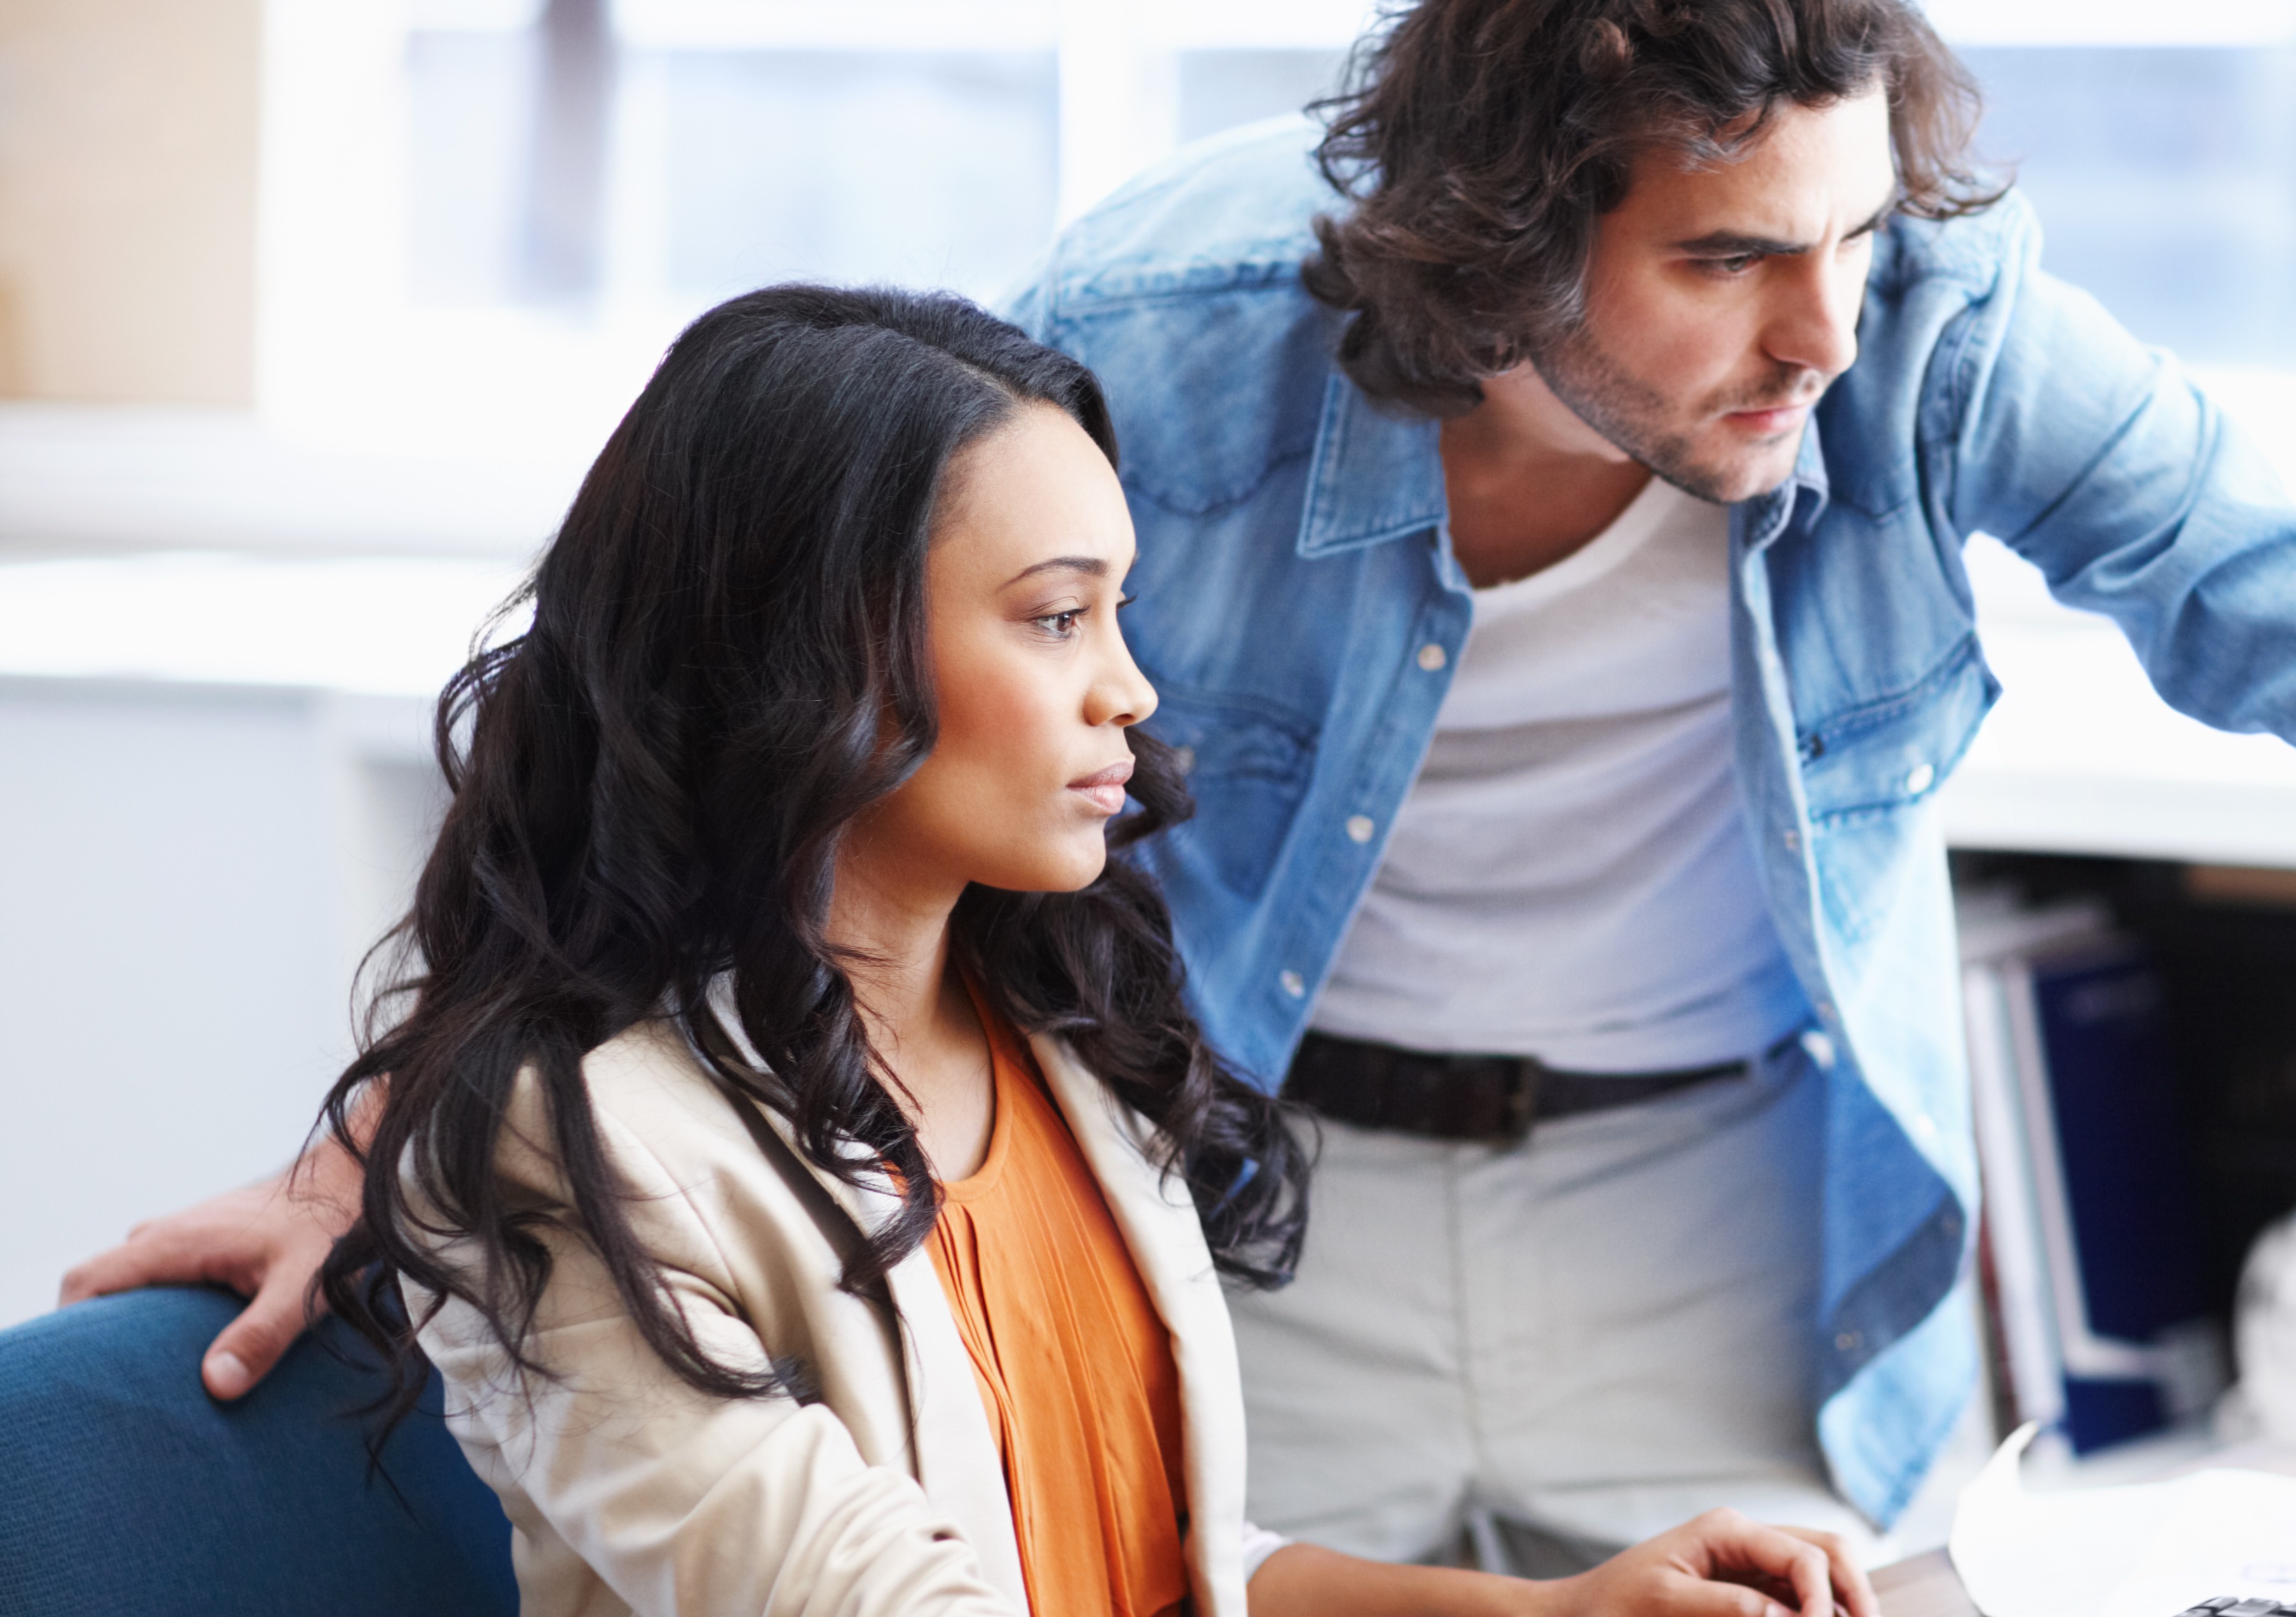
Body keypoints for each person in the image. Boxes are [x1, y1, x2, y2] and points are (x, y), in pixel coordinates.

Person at [68, 0, 2296, 1571]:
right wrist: (396, 1137)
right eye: (1729, 253)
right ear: (1517, 235)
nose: (1826, 333)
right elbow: (674, 645)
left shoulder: (1927, 333)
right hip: (1263, 1196)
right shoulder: (1160, 332)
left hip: (1726, 1206)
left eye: (1857, 237)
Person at [299, 280, 1871, 1617]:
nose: (1131, 690)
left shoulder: (1054, 1027)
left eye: (1121, 614)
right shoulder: (581, 1140)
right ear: (813, 650)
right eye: (1056, 619)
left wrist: (1561, 1609)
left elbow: (1164, 1562)